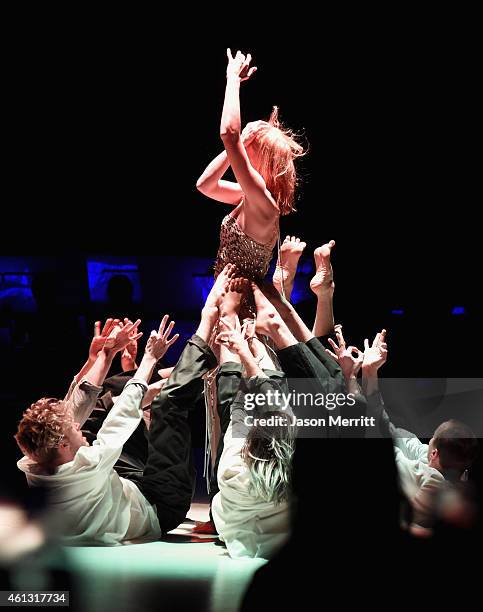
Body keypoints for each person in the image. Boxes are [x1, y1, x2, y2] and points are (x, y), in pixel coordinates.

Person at [15, 314, 206, 545]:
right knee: (167, 404)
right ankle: (207, 342)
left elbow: (71, 411)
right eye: (71, 429)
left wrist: (104, 356)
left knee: (104, 405)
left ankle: (146, 377)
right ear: (63, 444)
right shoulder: (89, 465)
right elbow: (121, 418)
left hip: (117, 485)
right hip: (160, 505)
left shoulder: (33, 462)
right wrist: (149, 358)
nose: (77, 425)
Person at [196, 49, 305, 289]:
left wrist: (233, 79)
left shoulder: (263, 201)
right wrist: (239, 144)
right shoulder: (252, 196)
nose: (243, 154)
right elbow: (205, 185)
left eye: (250, 147)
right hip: (226, 299)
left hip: (240, 304)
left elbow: (229, 134)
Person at [361, 328, 479, 533]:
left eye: (431, 440)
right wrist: (370, 372)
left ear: (433, 454)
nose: (427, 444)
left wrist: (366, 373)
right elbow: (388, 429)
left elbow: (379, 433)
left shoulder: (426, 476)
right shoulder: (459, 477)